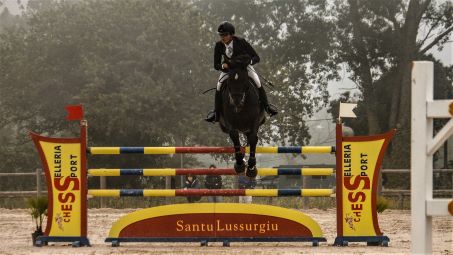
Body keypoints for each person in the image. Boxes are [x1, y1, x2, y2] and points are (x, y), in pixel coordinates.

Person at [205, 21, 278, 123]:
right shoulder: (218, 45)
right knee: (219, 85)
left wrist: (249, 63)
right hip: (229, 70)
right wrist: (222, 66)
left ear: (231, 35)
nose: (222, 37)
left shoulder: (241, 41)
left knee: (257, 82)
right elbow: (216, 65)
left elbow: (256, 57)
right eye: (221, 35)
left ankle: (267, 107)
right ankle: (216, 113)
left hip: (244, 68)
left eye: (225, 35)